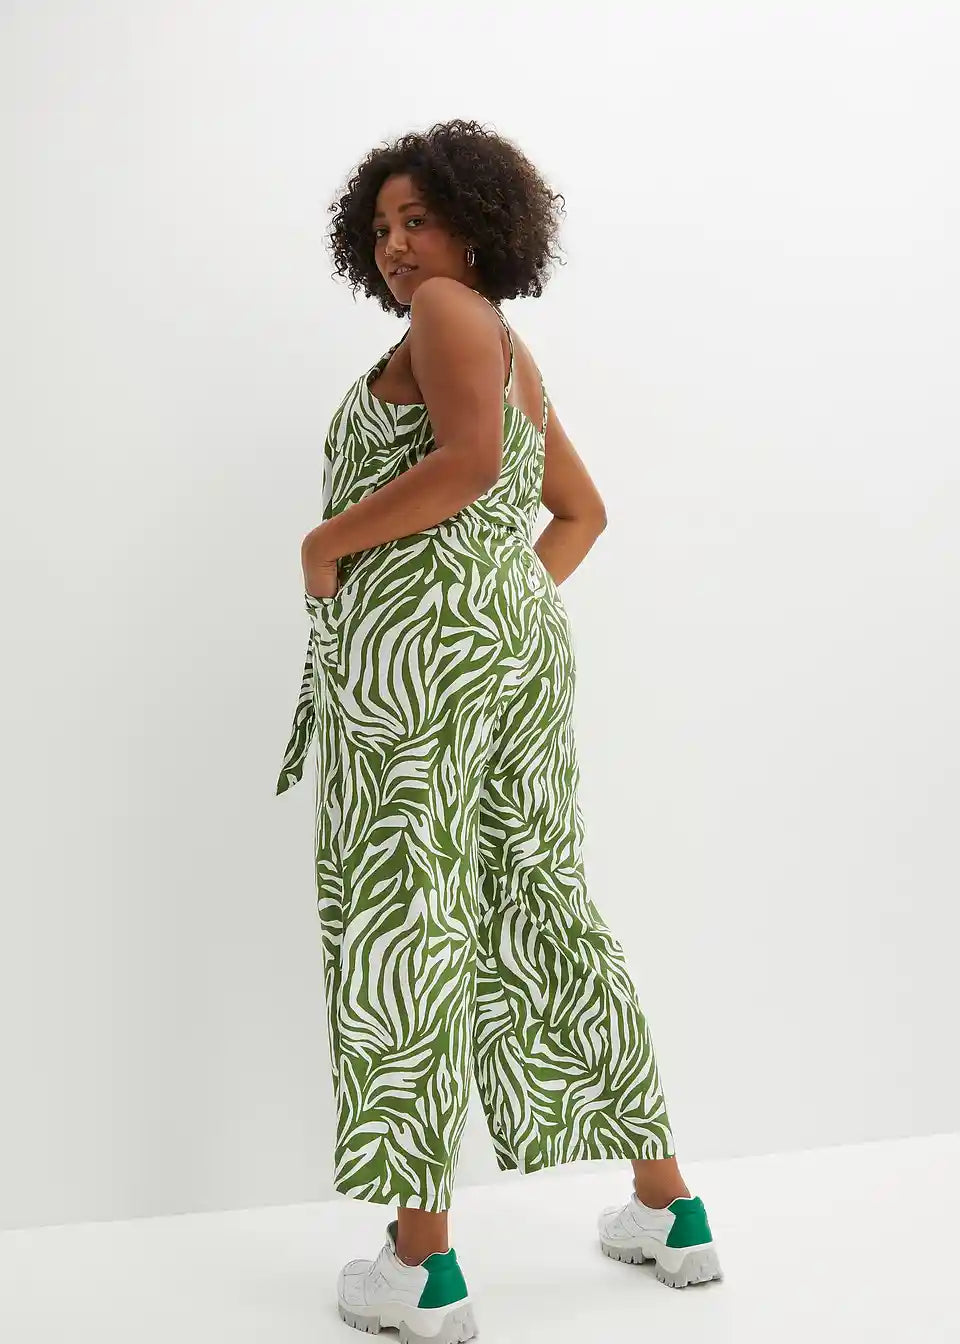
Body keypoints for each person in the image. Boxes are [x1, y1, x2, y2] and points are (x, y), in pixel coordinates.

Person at [277, 119, 722, 1342]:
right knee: (542, 899)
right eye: (381, 228)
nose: (396, 247)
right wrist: (496, 607)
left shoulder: (449, 315)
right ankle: (669, 1209)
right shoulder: (510, 345)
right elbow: (576, 513)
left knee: (405, 918)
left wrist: (326, 543)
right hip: (513, 655)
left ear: (478, 225)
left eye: (418, 220)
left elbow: (472, 466)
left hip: (414, 669)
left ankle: (422, 1269)